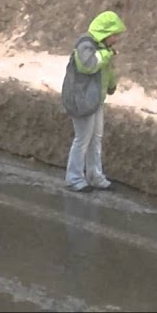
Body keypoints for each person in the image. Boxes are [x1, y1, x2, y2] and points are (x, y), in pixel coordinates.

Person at [64, 10, 126, 192]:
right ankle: (74, 178)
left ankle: (95, 176)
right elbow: (88, 66)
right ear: (105, 33)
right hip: (81, 101)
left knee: (95, 139)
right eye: (114, 35)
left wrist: (112, 84)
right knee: (82, 139)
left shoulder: (102, 49)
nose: (116, 39)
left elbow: (106, 71)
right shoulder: (86, 45)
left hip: (95, 100)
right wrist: (107, 54)